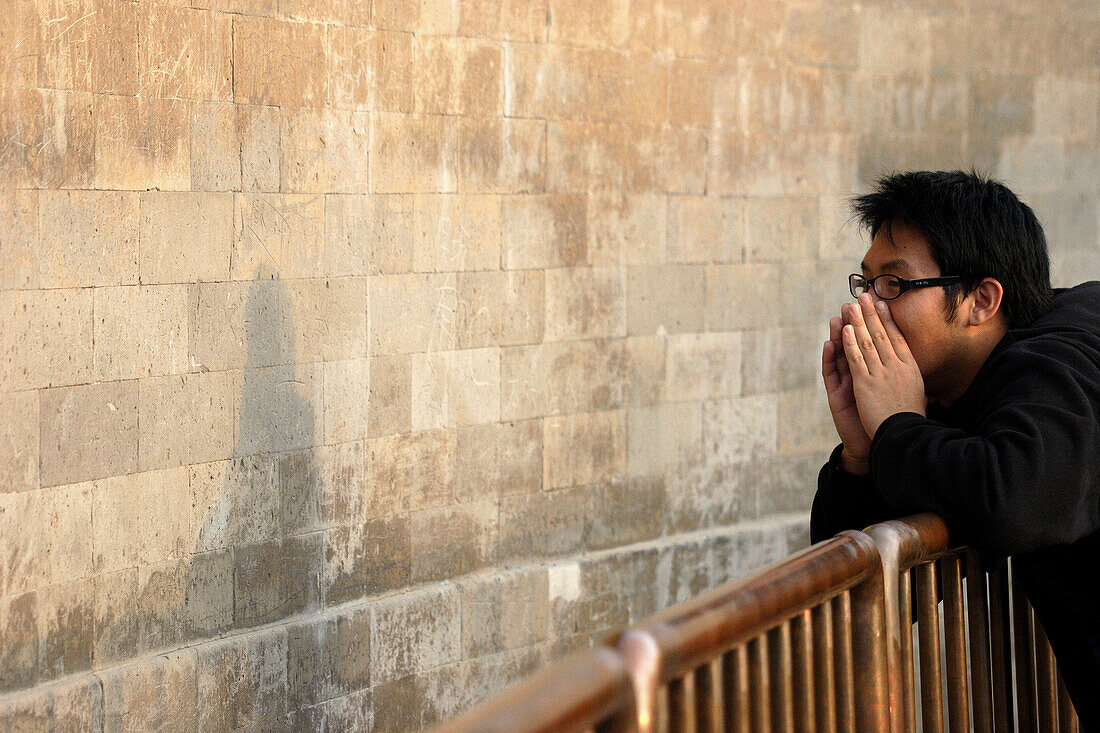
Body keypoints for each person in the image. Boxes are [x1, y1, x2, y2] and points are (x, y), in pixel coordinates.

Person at [809, 170, 1100, 727]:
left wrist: (897, 425)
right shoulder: (952, 396)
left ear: (980, 301)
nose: (865, 311)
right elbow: (848, 597)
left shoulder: (1067, 361)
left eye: (894, 285)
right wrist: (862, 452)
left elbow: (1011, 500)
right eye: (865, 284)